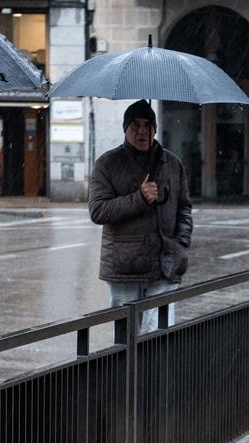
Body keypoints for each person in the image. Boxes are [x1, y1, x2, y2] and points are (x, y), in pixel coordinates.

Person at [89, 100, 192, 334]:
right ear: (125, 129)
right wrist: (139, 198)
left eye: (147, 125)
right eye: (135, 125)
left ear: (155, 129)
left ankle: (156, 372)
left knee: (161, 335)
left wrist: (180, 244)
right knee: (126, 338)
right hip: (125, 266)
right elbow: (98, 210)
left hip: (165, 264)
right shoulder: (107, 164)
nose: (142, 131)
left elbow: (184, 208)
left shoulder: (172, 163)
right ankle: (128, 372)